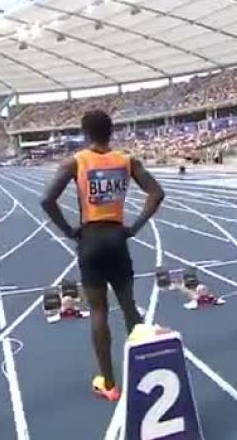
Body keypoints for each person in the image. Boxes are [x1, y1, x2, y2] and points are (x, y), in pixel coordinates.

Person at [40, 110, 165, 401]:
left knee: (99, 312)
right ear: (112, 132)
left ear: (85, 133)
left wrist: (69, 231)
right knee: (130, 307)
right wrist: (135, 226)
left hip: (91, 240)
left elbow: (46, 200)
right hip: (117, 237)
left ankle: (109, 383)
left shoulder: (77, 161)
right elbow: (157, 193)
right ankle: (143, 370)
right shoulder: (127, 161)